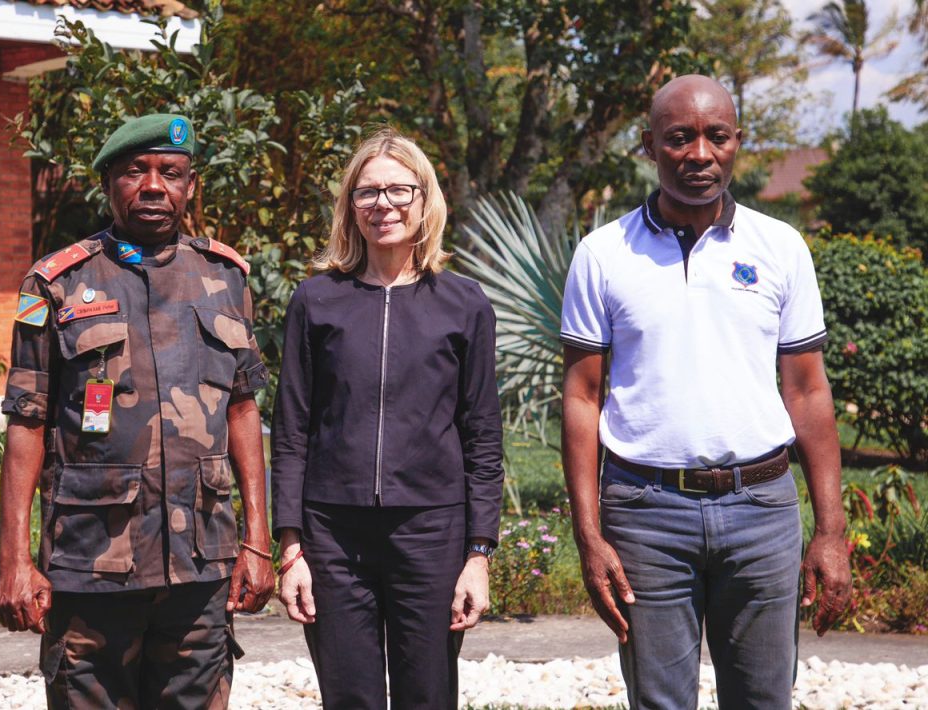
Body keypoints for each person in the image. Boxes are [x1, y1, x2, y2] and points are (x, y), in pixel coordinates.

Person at [560, 75, 851, 710]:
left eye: (716, 136)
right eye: (679, 138)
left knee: (762, 699)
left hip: (761, 510)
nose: (699, 154)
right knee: (660, 701)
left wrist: (831, 530)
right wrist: (589, 534)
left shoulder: (780, 248)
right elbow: (581, 397)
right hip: (645, 514)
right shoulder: (603, 254)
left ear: (737, 142)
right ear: (649, 146)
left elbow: (807, 391)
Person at [0, 114, 275, 709]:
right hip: (93, 561)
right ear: (108, 185)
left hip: (202, 561)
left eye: (170, 173)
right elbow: (26, 425)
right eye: (134, 172)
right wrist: (16, 561)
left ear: (190, 185)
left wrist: (257, 539)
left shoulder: (224, 279)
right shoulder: (56, 285)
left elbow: (243, 410)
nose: (153, 186)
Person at [270, 128, 505, 709]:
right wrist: (292, 546)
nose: (384, 205)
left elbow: (482, 433)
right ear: (350, 206)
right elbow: (292, 428)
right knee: (349, 698)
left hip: (431, 533)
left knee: (427, 696)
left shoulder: (463, 303)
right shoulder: (317, 301)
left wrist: (479, 554)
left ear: (424, 200)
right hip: (333, 534)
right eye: (367, 192)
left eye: (399, 190)